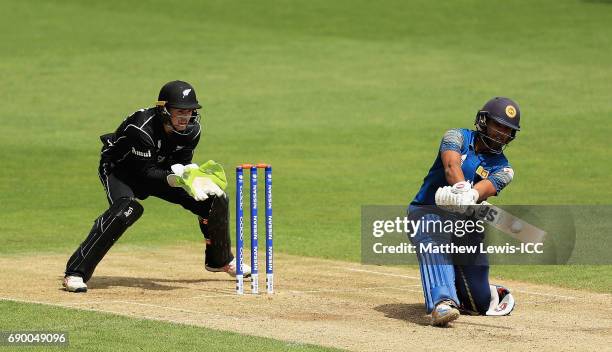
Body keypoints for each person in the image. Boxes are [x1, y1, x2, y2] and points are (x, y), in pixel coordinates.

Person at [63, 80, 250, 293]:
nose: (185, 117)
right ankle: (75, 273)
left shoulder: (192, 130)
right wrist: (174, 178)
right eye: (180, 111)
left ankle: (220, 260)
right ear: (163, 109)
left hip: (161, 170)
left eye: (189, 111)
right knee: (126, 210)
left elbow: (180, 162)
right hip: (121, 171)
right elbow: (144, 173)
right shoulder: (141, 129)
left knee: (214, 199)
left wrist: (192, 176)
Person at [408, 97, 519, 326]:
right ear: (484, 121)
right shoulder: (456, 137)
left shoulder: (504, 169)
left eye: (507, 130)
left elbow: (484, 189)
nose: (501, 133)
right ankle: (442, 303)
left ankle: (477, 290)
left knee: (477, 304)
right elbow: (451, 167)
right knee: (433, 239)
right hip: (427, 211)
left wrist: (470, 197)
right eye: (497, 125)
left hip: (465, 221)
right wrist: (460, 189)